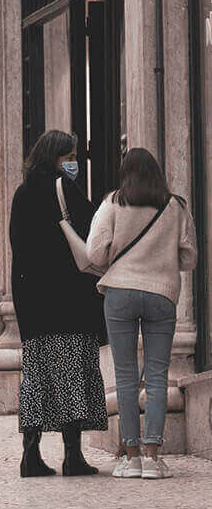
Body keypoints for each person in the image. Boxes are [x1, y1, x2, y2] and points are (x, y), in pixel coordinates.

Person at [86, 147, 196, 480]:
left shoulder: (113, 203)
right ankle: (153, 457)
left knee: (125, 376)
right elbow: (189, 258)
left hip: (120, 292)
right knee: (159, 376)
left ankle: (130, 457)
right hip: (161, 294)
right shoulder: (175, 206)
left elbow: (95, 252)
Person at [8, 130, 107, 478]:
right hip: (67, 299)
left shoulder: (21, 194)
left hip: (33, 302)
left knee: (36, 376)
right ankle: (72, 455)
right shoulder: (63, 187)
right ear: (56, 157)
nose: (74, 162)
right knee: (71, 375)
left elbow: (17, 248)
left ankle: (30, 455)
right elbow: (93, 230)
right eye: (70, 156)